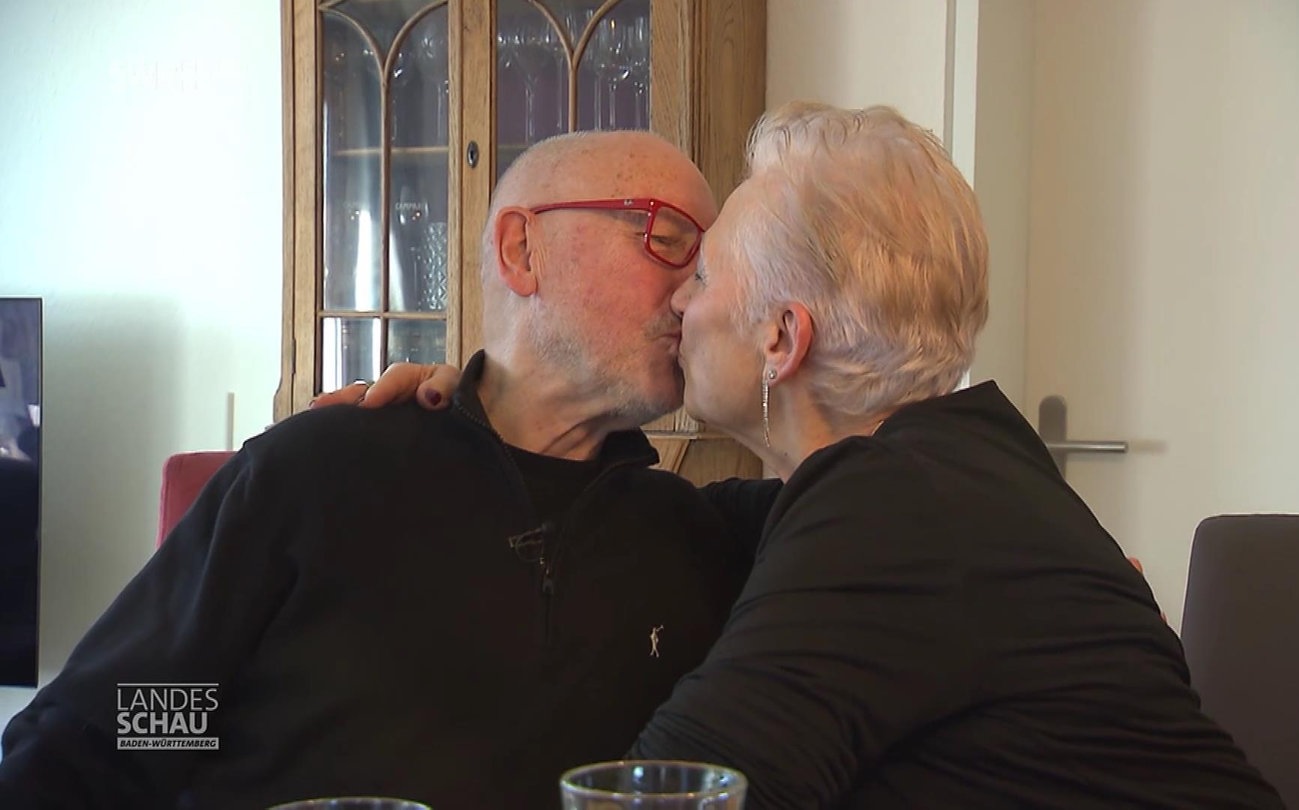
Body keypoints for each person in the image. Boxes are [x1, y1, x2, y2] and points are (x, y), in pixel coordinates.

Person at [351, 103, 1284, 808]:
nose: (678, 301)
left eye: (703, 272)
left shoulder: (894, 515)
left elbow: (675, 796)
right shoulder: (959, 475)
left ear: (782, 339)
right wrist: (472, 409)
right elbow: (640, 516)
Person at [0, 130, 773, 809]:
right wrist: (223, 723)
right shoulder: (317, 473)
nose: (692, 294)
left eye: (709, 265)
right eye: (667, 236)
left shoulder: (699, 537)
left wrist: (753, 382)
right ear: (522, 250)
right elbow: (105, 733)